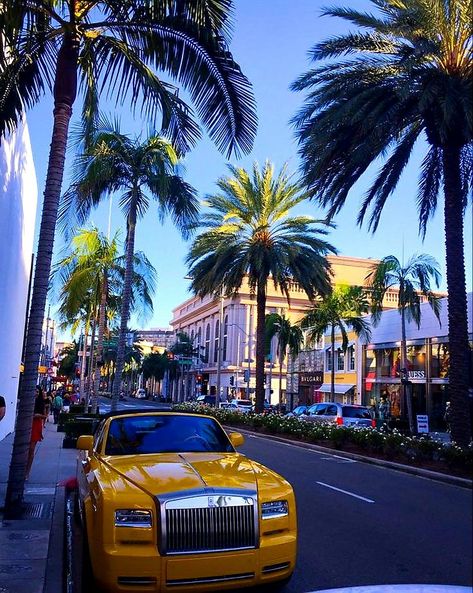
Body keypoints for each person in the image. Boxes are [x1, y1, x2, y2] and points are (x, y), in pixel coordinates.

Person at [26, 387, 47, 479]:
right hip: (25, 425)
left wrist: (38, 415)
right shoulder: (26, 401)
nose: (36, 393)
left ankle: (27, 472)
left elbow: (45, 415)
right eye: (34, 390)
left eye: (37, 391)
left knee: (31, 449)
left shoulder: (40, 403)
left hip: (35, 425)